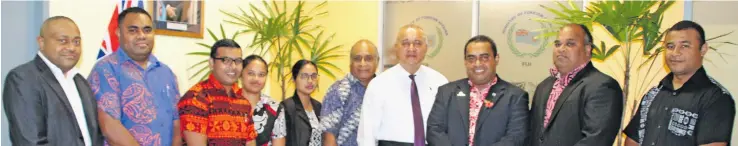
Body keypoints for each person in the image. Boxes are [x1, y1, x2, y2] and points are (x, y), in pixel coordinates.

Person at [623, 20, 735, 146]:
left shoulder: (716, 98)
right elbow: (633, 141)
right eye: (670, 47)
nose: (675, 53)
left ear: (703, 49)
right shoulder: (653, 94)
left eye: (685, 46)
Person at [3, 16, 104, 146]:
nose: (72, 47)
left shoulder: (80, 82)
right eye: (63, 41)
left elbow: (95, 137)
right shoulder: (23, 79)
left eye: (76, 42)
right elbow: (30, 141)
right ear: (41, 43)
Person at [89, 7, 182, 146]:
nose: (141, 35)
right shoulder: (106, 70)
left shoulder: (166, 72)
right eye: (133, 30)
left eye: (147, 30)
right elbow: (110, 128)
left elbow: (176, 124)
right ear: (119, 33)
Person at [529, 24, 623, 146]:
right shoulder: (544, 86)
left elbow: (595, 140)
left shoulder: (602, 87)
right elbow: (532, 133)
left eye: (570, 44)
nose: (561, 49)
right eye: (558, 44)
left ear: (587, 49)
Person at [426, 35, 529, 146]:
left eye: (484, 57)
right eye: (471, 58)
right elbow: (434, 130)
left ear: (496, 59)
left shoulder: (515, 96)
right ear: (465, 61)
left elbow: (516, 137)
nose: (478, 63)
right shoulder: (446, 92)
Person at [358, 24, 449, 146]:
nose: (411, 48)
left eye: (417, 43)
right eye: (405, 43)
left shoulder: (440, 82)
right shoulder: (379, 84)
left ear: (426, 48)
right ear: (396, 48)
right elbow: (366, 135)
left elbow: (447, 128)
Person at [177, 39, 257, 146]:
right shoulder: (196, 99)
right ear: (211, 63)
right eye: (226, 60)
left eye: (238, 61)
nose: (233, 66)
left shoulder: (243, 103)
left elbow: (250, 143)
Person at [320, 39, 380, 146]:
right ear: (350, 63)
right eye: (357, 59)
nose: (363, 63)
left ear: (377, 61)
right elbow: (329, 137)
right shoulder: (338, 91)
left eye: (368, 59)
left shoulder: (383, 90)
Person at [274, 60, 324, 146]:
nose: (310, 81)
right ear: (294, 78)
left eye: (314, 76)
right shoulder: (286, 108)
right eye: (304, 76)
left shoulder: (319, 107)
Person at [239, 54, 286, 146]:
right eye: (251, 73)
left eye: (261, 75)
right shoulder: (227, 103)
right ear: (241, 74)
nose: (256, 79)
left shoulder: (275, 108)